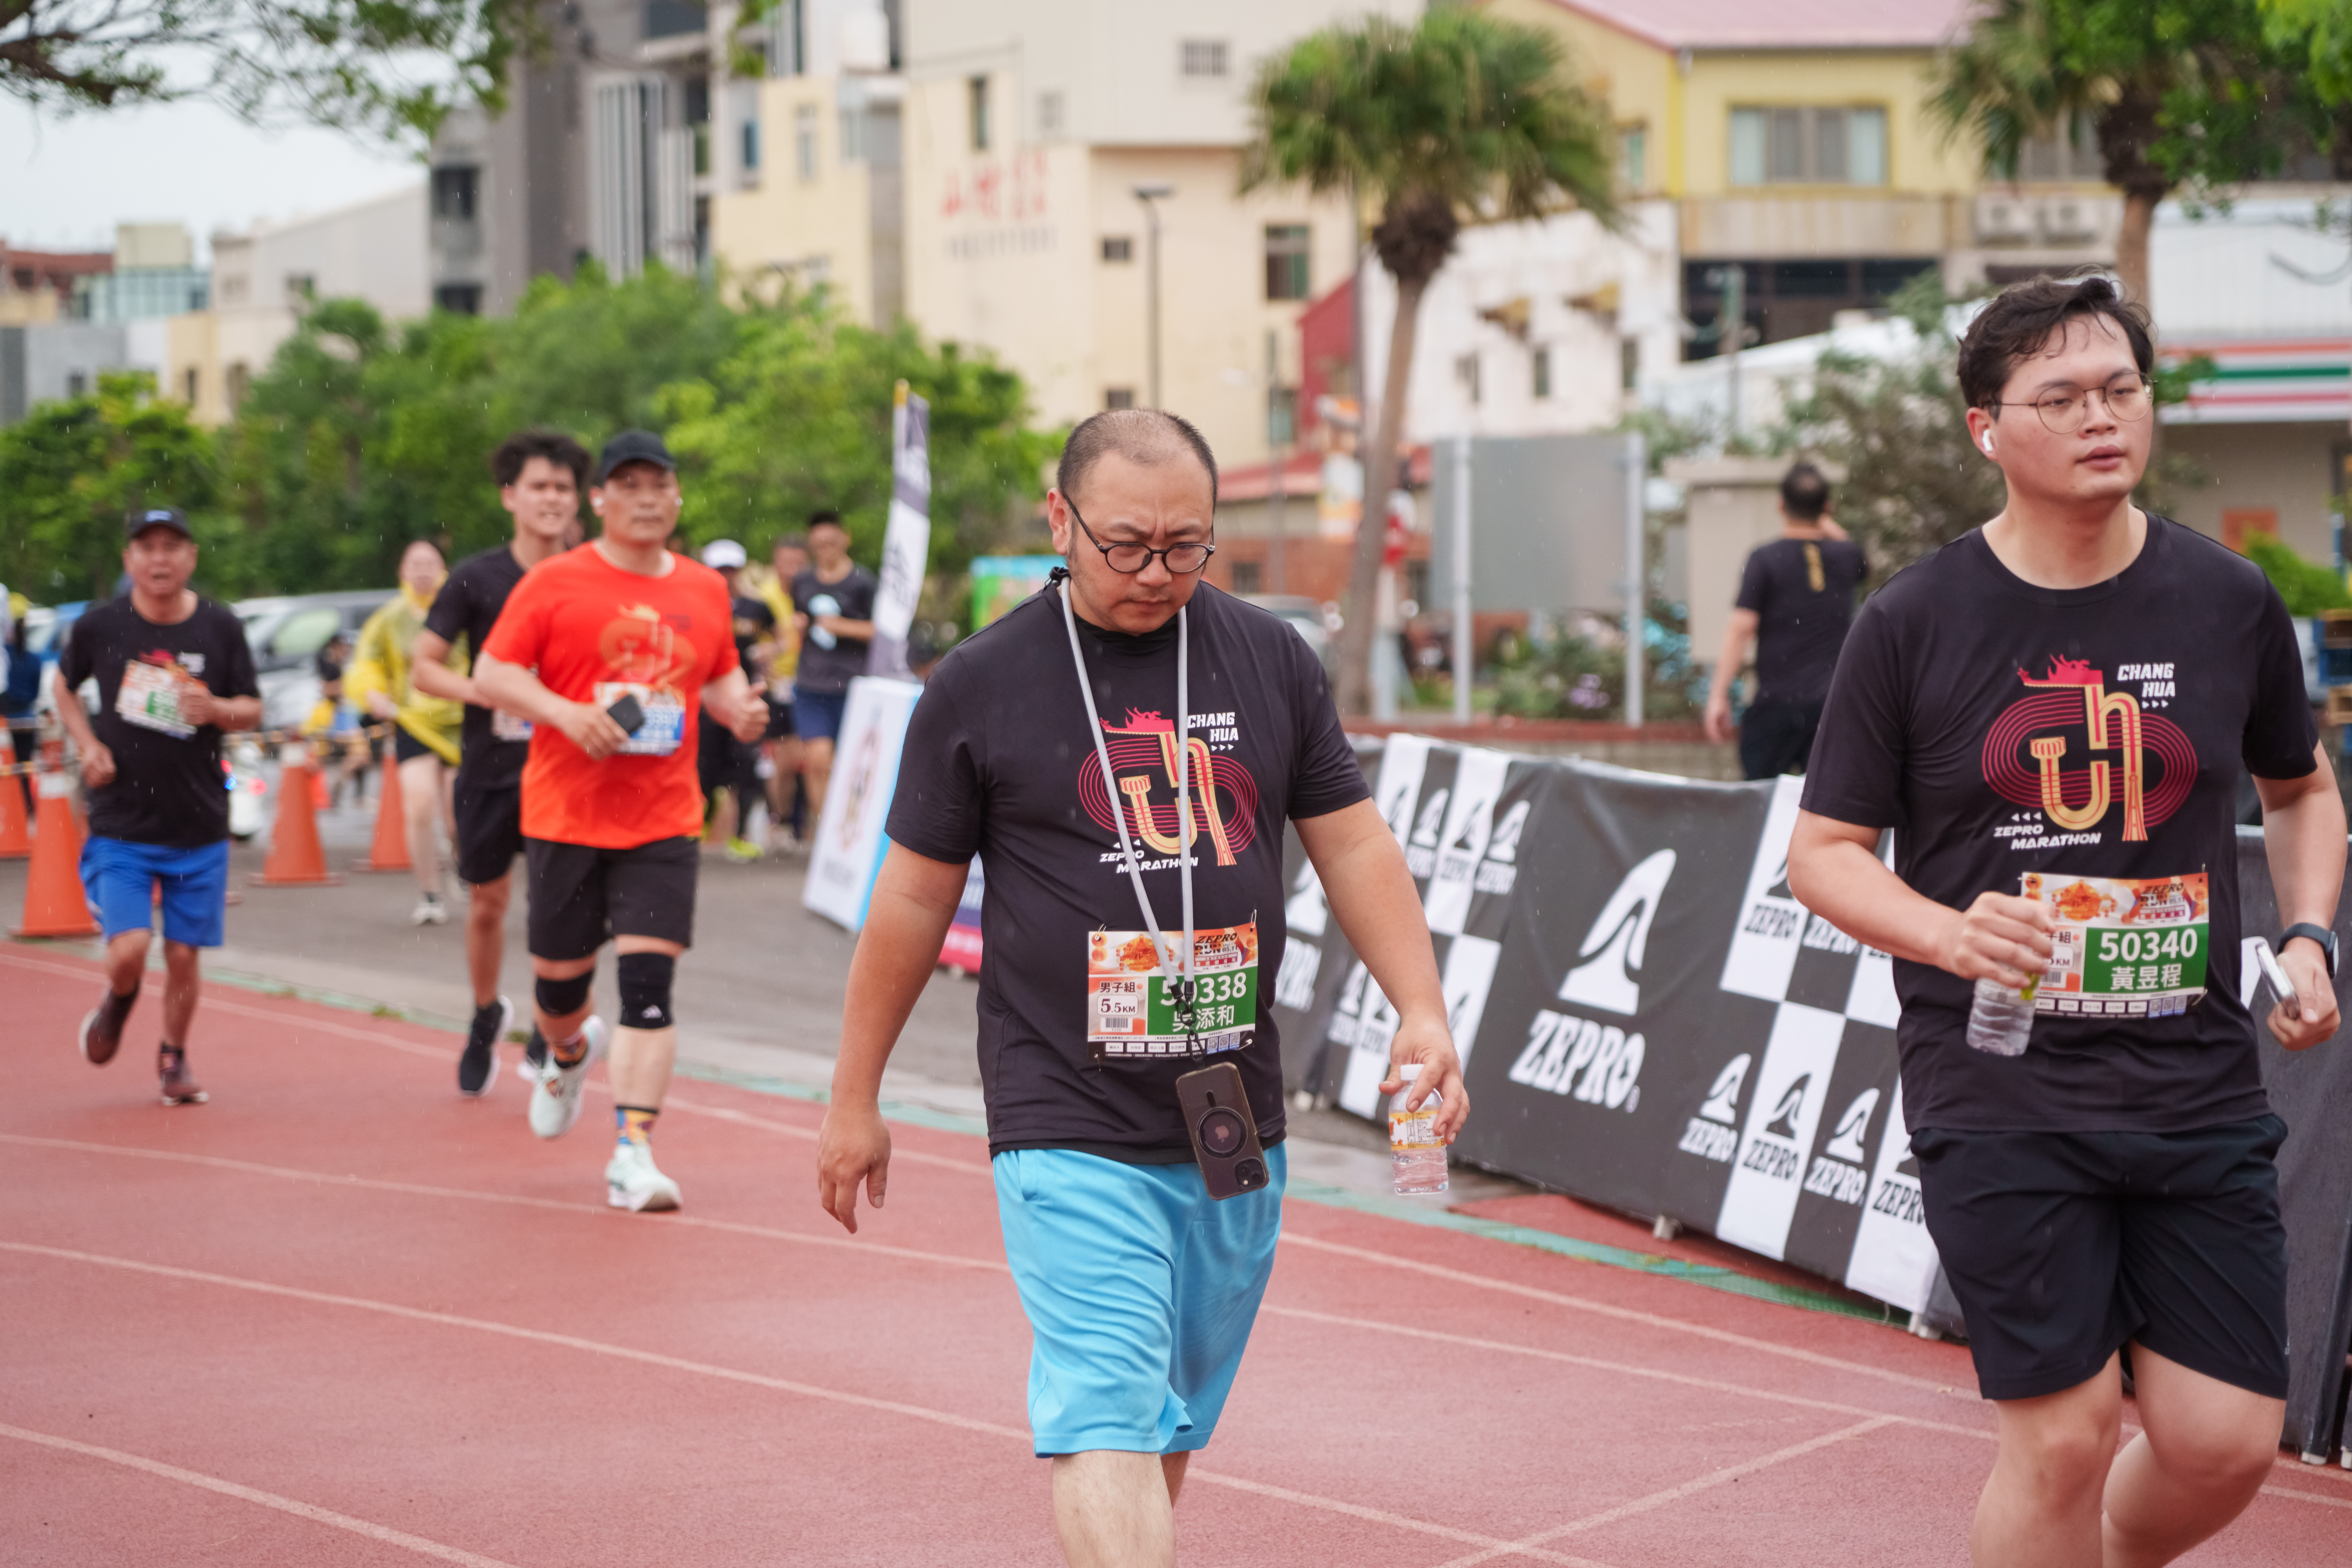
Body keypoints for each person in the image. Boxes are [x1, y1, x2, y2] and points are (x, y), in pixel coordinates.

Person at [814, 409, 1468, 1567]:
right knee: (1107, 1406)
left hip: (1228, 1109)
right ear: (1059, 520)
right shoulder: (981, 683)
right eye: (1125, 544)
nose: (1157, 572)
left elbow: (1354, 842)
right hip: (1062, 1104)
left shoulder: (1269, 658)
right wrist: (852, 1094)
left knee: (1167, 1417)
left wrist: (1422, 1007)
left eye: (1186, 546)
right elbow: (910, 900)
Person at [1786, 275, 2344, 1568]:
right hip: (1999, 1083)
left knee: (2224, 1443)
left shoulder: (2228, 599)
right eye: (2062, 398)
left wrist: (2311, 934)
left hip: (2195, 1079)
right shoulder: (1913, 621)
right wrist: (1947, 934)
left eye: (2121, 389)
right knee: (2065, 1434)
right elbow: (1822, 856)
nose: (2102, 417)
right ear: (1987, 429)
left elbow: (2303, 790)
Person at [475, 430, 769, 1212]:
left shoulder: (704, 588)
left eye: (659, 484)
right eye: (628, 485)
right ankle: (568, 1051)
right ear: (599, 499)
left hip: (664, 817)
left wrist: (739, 709)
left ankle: (633, 1151)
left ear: (677, 497)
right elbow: (492, 671)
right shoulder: (554, 581)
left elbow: (718, 675)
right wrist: (567, 714)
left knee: (649, 986)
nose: (646, 498)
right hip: (565, 815)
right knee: (559, 989)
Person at [58, 507, 261, 1105]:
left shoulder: (220, 627)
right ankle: (120, 998)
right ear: (130, 561)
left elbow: (252, 708)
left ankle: (174, 1056)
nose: (160, 558)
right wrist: (87, 744)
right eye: (147, 548)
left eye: (172, 547)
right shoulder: (101, 626)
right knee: (129, 949)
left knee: (183, 953)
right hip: (121, 822)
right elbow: (63, 688)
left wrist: (215, 709)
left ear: (191, 558)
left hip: (198, 822)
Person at [412, 429, 589, 1095]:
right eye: (539, 486)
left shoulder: (591, 576)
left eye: (563, 488)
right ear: (510, 496)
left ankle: (550, 1026)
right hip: (491, 768)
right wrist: (486, 691)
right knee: (488, 902)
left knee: (556, 909)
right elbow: (425, 669)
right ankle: (485, 1014)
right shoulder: (476, 577)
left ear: (578, 500)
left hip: (567, 770)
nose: (552, 498)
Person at [1703, 462, 1866, 779]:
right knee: (1825, 802)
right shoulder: (1847, 557)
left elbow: (1741, 627)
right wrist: (1823, 519)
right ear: (1827, 509)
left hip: (1776, 706)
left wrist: (1718, 695)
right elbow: (1856, 554)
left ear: (1781, 506)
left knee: (1762, 799)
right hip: (1831, 709)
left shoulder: (1765, 559)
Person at [349, 539, 465, 925]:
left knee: (458, 814)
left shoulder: (460, 608)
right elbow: (367, 662)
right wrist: (373, 693)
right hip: (413, 721)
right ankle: (430, 894)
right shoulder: (390, 618)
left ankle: (463, 862)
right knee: (419, 806)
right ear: (403, 571)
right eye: (415, 564)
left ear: (443, 569)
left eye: (430, 563)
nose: (423, 571)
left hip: (461, 720)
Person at [789, 511, 876, 829]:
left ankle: (850, 831)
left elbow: (880, 632)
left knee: (854, 766)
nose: (825, 548)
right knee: (818, 760)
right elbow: (801, 622)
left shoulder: (864, 582)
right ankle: (824, 830)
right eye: (819, 544)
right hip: (812, 684)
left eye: (831, 542)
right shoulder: (802, 581)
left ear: (845, 539)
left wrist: (841, 627)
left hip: (853, 685)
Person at [695, 537, 774, 863]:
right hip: (705, 698)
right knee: (705, 768)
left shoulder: (756, 607)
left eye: (731, 570)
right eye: (720, 570)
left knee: (746, 771)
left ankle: (741, 837)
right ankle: (698, 828)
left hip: (745, 697)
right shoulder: (696, 604)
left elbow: (781, 636)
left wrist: (770, 651)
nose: (726, 576)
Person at [755, 534, 809, 849]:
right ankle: (780, 821)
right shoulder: (763, 596)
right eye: (786, 562)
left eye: (798, 563)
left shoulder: (811, 594)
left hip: (810, 684)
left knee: (804, 758)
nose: (792, 569)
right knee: (781, 759)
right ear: (775, 562)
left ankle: (792, 823)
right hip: (776, 686)